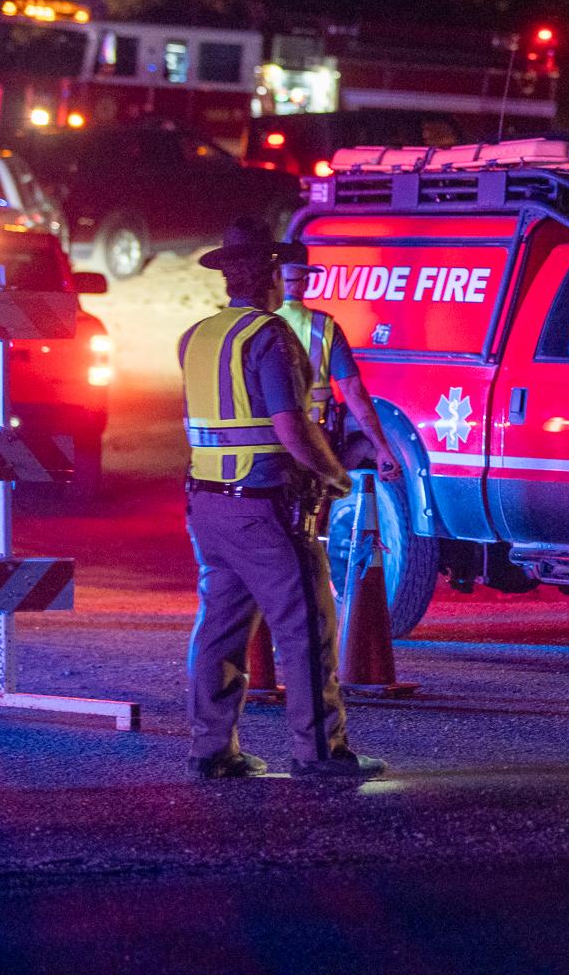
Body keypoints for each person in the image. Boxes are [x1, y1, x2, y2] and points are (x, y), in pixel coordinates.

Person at [181, 217, 383, 780]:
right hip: (265, 507)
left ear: (228, 279)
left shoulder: (195, 337)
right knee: (306, 627)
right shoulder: (271, 336)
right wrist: (335, 473)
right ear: (270, 277)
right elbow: (291, 428)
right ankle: (320, 752)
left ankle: (211, 750)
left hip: (208, 505)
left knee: (218, 630)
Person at [276, 261, 402, 482]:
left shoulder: (256, 322)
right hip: (316, 441)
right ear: (304, 283)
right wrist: (382, 447)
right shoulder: (323, 326)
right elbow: (353, 390)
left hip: (267, 443)